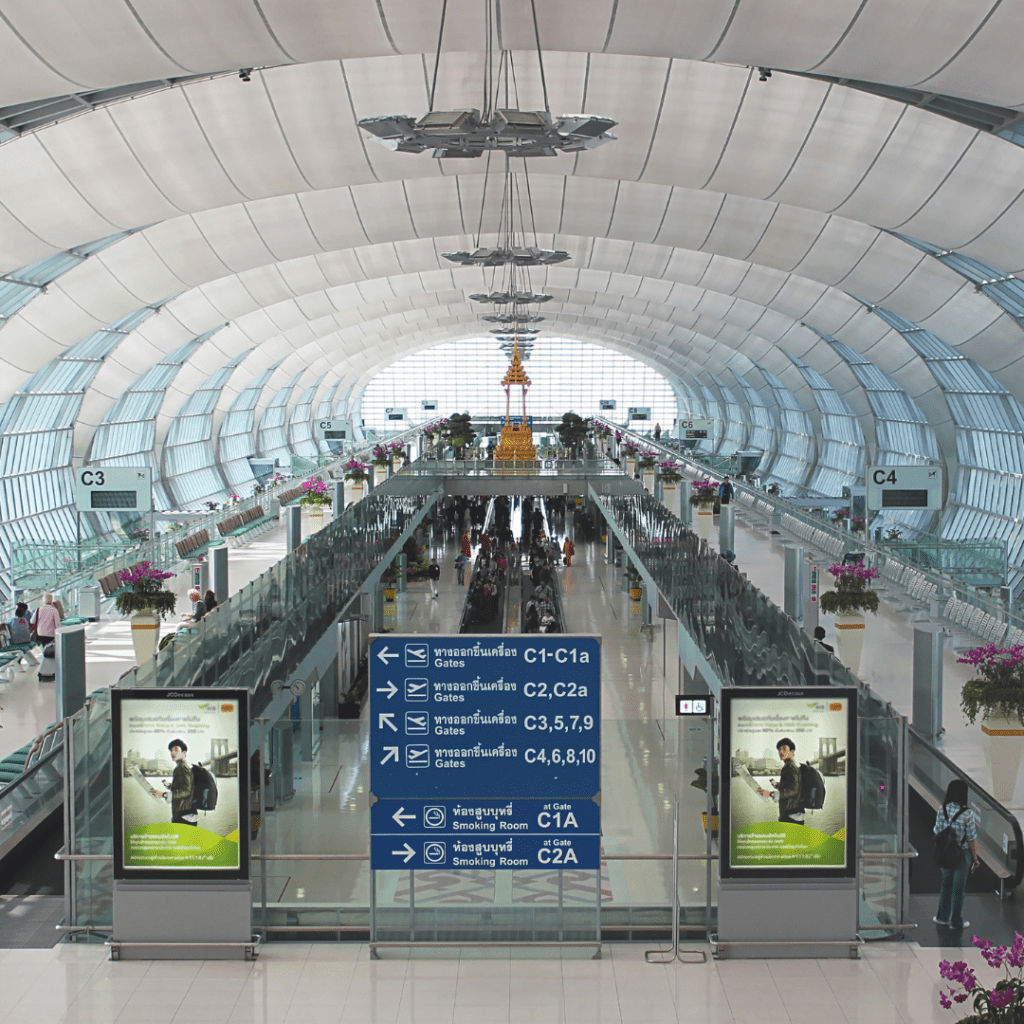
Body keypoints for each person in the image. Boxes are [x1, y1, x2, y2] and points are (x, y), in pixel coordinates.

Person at [933, 779, 979, 929]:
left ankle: (942, 917)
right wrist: (975, 858)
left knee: (946, 883)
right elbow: (971, 838)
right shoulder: (967, 814)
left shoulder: (942, 809)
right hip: (961, 853)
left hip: (945, 851)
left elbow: (936, 831)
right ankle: (956, 921)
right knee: (958, 888)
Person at [757, 738, 804, 825]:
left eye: (784, 749)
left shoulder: (789, 766)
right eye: (779, 749)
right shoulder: (794, 765)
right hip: (796, 813)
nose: (780, 752)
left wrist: (771, 794)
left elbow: (794, 791)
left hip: (790, 815)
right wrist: (779, 785)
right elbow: (793, 786)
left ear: (792, 752)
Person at [160, 739, 196, 827]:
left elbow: (187, 791)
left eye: (176, 750)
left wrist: (165, 795)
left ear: (184, 753)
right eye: (171, 750)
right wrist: (171, 786)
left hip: (184, 816)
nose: (173, 752)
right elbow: (184, 786)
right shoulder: (180, 767)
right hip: (183, 813)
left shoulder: (183, 767)